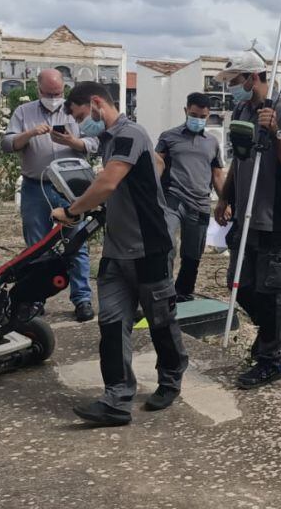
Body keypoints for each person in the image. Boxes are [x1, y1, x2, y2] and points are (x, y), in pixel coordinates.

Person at [53, 82, 187, 426]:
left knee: (160, 320)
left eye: (82, 115)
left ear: (97, 103)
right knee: (112, 324)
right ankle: (116, 398)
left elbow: (109, 183)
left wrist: (73, 210)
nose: (82, 123)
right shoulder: (111, 140)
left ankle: (171, 377)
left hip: (149, 248)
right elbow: (151, 165)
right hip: (116, 249)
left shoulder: (129, 133)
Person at [213, 51, 281, 389]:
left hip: (275, 217)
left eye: (236, 81)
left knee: (269, 289)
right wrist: (225, 196)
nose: (233, 87)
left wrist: (276, 132)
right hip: (245, 216)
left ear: (254, 78)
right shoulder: (241, 110)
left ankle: (270, 359)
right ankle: (267, 336)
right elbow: (239, 158)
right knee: (240, 286)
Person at [2, 69, 97, 322]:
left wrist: (72, 142)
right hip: (36, 186)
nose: (54, 98)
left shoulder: (75, 110)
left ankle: (82, 299)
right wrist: (30, 133)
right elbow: (7, 143)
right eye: (49, 93)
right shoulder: (24, 112)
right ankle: (35, 298)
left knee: (76, 242)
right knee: (36, 246)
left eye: (58, 93)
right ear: (38, 89)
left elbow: (95, 143)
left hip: (69, 188)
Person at [154, 92, 225, 302]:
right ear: (186, 111)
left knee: (192, 253)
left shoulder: (212, 143)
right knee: (166, 244)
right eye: (194, 115)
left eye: (202, 116)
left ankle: (183, 291)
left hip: (200, 203)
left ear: (208, 115)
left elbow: (217, 174)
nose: (198, 120)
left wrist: (225, 200)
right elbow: (157, 163)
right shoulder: (168, 137)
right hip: (172, 200)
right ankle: (163, 290)